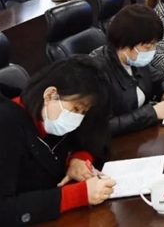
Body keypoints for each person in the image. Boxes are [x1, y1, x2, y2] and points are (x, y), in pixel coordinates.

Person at [0, 56, 117, 225]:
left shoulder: (49, 115)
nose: (77, 118)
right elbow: (4, 209)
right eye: (76, 109)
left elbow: (96, 134)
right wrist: (78, 195)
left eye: (83, 112)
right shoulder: (6, 124)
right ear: (50, 95)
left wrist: (79, 158)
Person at [90, 5, 164, 136]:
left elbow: (161, 78)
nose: (152, 51)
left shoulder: (134, 60)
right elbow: (104, 126)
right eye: (148, 47)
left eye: (155, 45)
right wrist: (153, 113)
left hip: (142, 134)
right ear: (124, 44)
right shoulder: (97, 72)